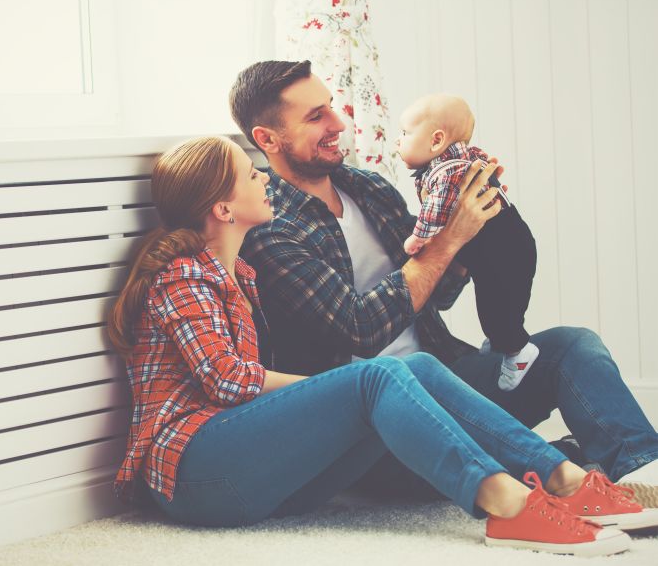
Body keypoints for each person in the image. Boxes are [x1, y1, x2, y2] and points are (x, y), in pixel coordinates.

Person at [106, 135, 655, 557]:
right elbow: (227, 380)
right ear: (223, 209)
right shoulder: (182, 276)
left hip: (249, 477)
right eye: (251, 175)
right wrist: (336, 394)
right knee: (378, 376)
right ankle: (509, 504)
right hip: (188, 469)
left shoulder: (241, 273)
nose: (264, 180)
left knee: (410, 366)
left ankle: (566, 481)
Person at [230, 59, 658, 509]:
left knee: (572, 346)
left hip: (446, 375)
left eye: (331, 107)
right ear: (267, 139)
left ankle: (643, 471)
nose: (339, 123)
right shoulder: (268, 226)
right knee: (426, 392)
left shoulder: (367, 188)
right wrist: (451, 237)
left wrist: (480, 227)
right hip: (381, 424)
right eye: (316, 116)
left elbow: (440, 294)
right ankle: (561, 465)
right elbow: (360, 329)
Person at [397, 94, 537, 391]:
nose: (398, 140)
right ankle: (504, 342)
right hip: (510, 243)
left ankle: (516, 351)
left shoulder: (445, 172)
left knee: (497, 307)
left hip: (498, 249)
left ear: (436, 141)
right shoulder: (469, 158)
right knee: (502, 301)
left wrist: (418, 237)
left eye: (405, 133)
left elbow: (434, 211)